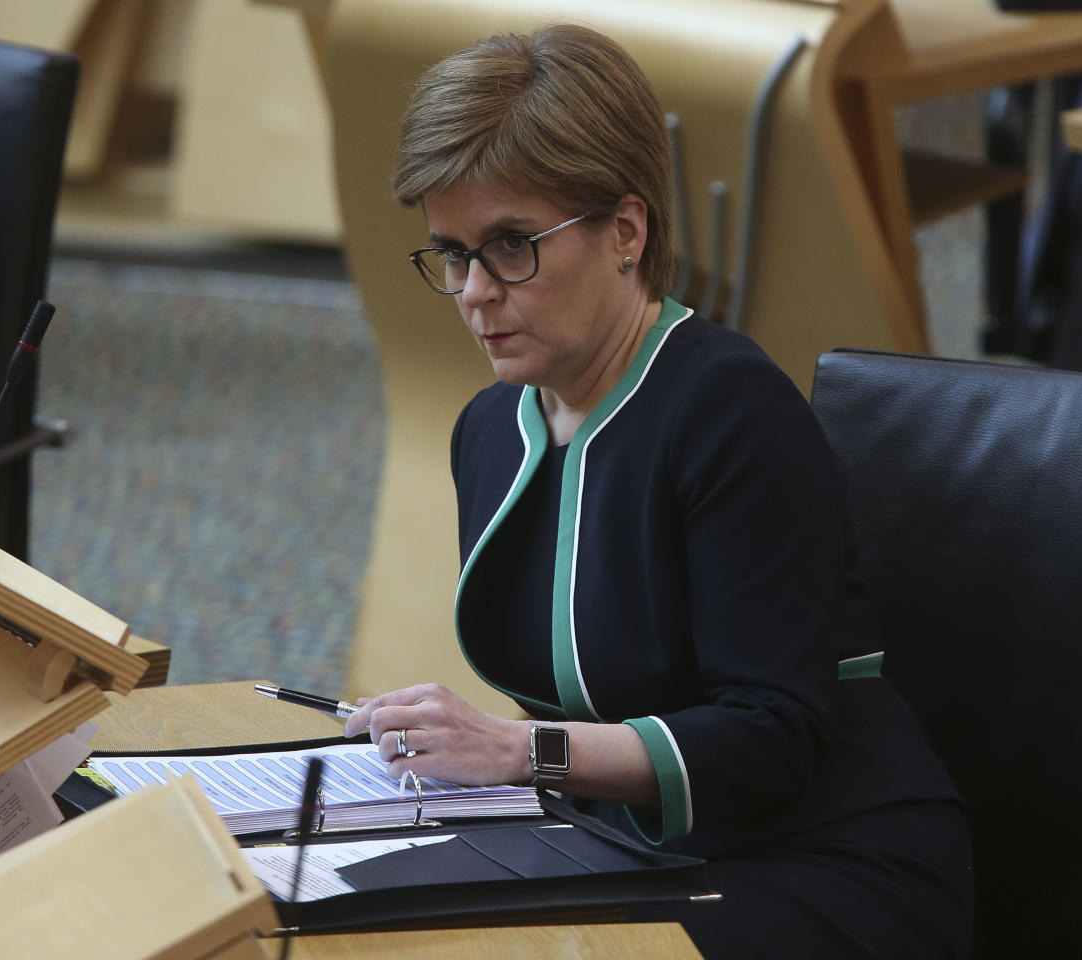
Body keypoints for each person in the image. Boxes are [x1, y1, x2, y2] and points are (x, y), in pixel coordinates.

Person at [343, 23, 973, 957]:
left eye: (511, 245)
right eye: (453, 253)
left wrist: (521, 754)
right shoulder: (492, 427)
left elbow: (770, 738)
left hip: (823, 864)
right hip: (626, 850)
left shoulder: (728, 406)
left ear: (626, 232)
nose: (475, 289)